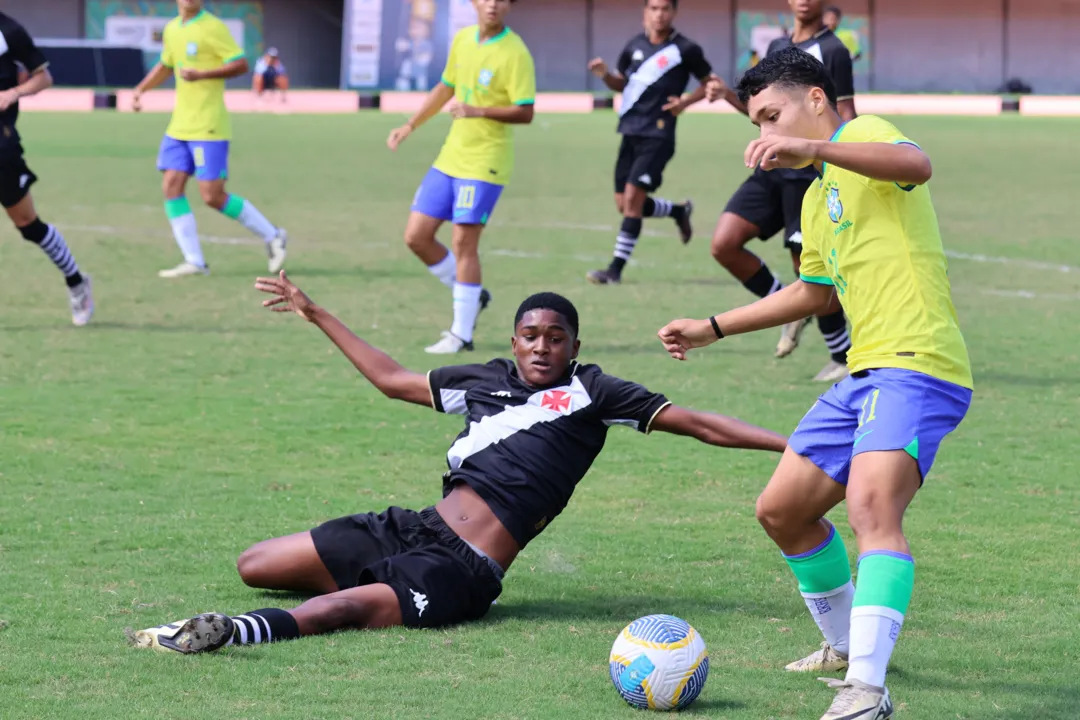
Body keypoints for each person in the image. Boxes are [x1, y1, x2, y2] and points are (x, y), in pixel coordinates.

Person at [131, 275, 788, 653]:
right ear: (515, 340)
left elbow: (700, 424)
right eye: (531, 335)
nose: (541, 347)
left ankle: (231, 636)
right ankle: (375, 592)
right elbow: (391, 379)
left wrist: (790, 446)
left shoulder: (596, 392)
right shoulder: (483, 378)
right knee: (257, 565)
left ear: (574, 346)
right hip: (412, 528)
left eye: (555, 338)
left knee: (342, 610)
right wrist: (316, 313)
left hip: (463, 568)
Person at [658, 47, 973, 720]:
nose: (765, 136)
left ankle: (868, 690)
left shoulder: (861, 135)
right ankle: (841, 647)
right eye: (758, 125)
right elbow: (815, 292)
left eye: (773, 116)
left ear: (818, 101)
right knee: (783, 510)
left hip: (918, 363)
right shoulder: (815, 199)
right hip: (865, 372)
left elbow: (917, 164)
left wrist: (811, 148)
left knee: (870, 511)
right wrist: (714, 326)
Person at [706, 0, 855, 383]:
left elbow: (846, 113)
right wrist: (727, 95)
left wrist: (847, 162)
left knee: (808, 269)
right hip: (771, 164)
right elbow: (765, 112)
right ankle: (787, 305)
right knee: (724, 243)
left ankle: (842, 356)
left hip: (806, 169)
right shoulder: (776, 48)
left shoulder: (834, 50)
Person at [386, 0, 534, 355]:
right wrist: (410, 124)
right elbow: (445, 86)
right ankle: (472, 294)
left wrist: (477, 110)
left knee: (464, 243)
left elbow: (525, 111)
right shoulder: (464, 39)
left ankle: (461, 334)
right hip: (451, 157)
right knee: (416, 237)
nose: (493, 5)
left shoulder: (515, 52)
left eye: (501, 0)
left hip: (485, 163)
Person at [132, 0, 288, 279]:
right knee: (171, 185)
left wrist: (203, 74)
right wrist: (141, 89)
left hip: (208, 126)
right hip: (179, 125)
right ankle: (194, 261)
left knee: (212, 196)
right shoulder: (171, 30)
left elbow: (240, 63)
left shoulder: (213, 27)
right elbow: (167, 64)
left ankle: (274, 235)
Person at [585, 0, 720, 286]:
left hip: (659, 134)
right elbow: (624, 84)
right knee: (624, 204)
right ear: (646, 12)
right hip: (630, 131)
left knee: (633, 199)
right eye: (654, 8)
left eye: (665, 9)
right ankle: (677, 210)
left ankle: (614, 271)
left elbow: (710, 82)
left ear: (674, 12)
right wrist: (605, 75)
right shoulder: (634, 45)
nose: (659, 14)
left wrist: (685, 102)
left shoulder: (685, 49)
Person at [0, 12, 94, 325]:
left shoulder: (10, 31)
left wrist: (13, 93)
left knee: (28, 224)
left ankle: (76, 281)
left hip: (2, 145)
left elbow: (44, 77)